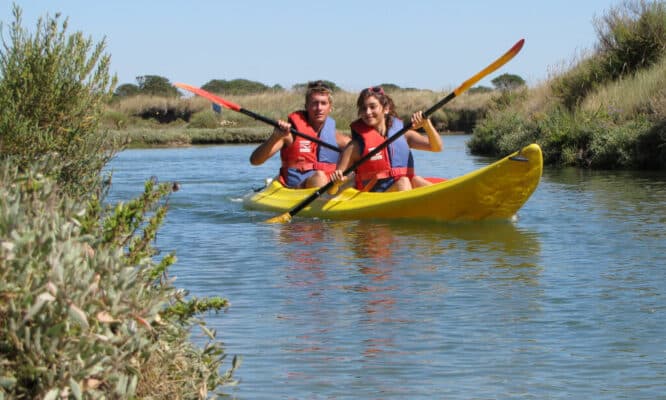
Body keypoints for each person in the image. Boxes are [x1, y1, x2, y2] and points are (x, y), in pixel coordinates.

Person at [330, 86, 442, 192]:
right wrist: (337, 181)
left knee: (416, 180)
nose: (368, 112)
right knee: (403, 182)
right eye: (364, 109)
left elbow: (437, 147)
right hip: (373, 197)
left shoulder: (404, 135)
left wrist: (427, 125)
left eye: (373, 107)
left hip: (402, 190)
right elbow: (332, 189)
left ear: (386, 109)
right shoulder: (355, 147)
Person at [249, 80, 350, 188]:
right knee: (319, 177)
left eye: (323, 103)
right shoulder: (289, 135)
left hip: (330, 188)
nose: (319, 108)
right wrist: (275, 137)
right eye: (314, 103)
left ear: (330, 107)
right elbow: (255, 161)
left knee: (351, 175)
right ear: (306, 106)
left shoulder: (341, 140)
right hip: (298, 187)